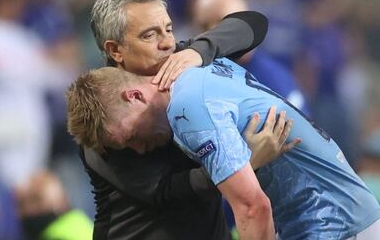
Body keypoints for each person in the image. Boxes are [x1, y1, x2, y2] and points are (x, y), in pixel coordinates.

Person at [69, 59, 380, 240]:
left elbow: (252, 208)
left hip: (334, 225)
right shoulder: (203, 69)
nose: (138, 150)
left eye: (131, 135)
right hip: (342, 213)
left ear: (134, 96)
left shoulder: (186, 109)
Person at [78, 0, 295, 240]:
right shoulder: (105, 114)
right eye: (149, 35)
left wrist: (199, 51)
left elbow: (252, 24)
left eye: (168, 29)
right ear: (115, 50)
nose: (167, 42)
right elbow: (166, 191)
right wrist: (244, 160)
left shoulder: (183, 61)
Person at [192, 0, 309, 114]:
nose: (212, 31)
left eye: (223, 22)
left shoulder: (275, 81)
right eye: (204, 25)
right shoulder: (193, 78)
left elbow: (302, 132)